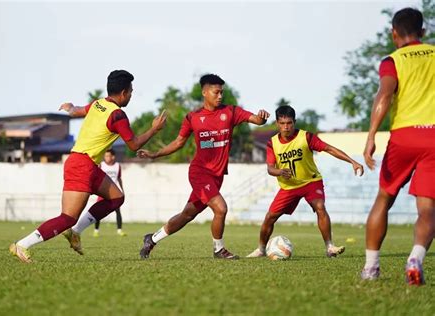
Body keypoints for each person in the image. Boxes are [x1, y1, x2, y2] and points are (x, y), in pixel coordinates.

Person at [9, 70, 167, 262]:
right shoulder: (117, 115)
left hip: (89, 165)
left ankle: (75, 232)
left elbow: (78, 111)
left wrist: (70, 107)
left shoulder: (98, 103)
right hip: (81, 165)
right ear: (124, 92)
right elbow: (133, 144)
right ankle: (22, 245)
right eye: (131, 91)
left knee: (116, 198)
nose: (132, 95)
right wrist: (154, 129)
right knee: (67, 217)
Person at [137, 74, 270, 259]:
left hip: (217, 176)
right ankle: (218, 249)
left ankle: (151, 239)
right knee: (221, 209)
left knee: (187, 215)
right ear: (205, 92)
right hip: (200, 172)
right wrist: (154, 154)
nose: (220, 96)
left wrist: (262, 118)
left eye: (222, 92)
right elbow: (178, 142)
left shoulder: (231, 112)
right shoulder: (193, 117)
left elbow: (256, 119)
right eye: (216, 92)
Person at [360, 8, 434, 285]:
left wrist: (371, 136)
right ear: (423, 32)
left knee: (383, 199)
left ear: (394, 34)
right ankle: (415, 256)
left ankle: (371, 268)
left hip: (405, 136)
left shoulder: (392, 60)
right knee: (428, 209)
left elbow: (384, 94)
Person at [247, 105, 364, 258]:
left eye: (289, 123)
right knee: (269, 218)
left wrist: (352, 161)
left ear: (294, 122)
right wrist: (280, 171)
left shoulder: (306, 137)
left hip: (311, 182)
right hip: (288, 187)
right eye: (282, 123)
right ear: (277, 123)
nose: (286, 127)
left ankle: (330, 247)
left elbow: (328, 148)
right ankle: (261, 249)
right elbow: (270, 168)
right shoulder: (272, 143)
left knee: (320, 207)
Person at [92, 148, 127, 237]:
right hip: (103, 191)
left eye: (108, 156)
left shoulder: (117, 166)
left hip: (114, 192)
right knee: (98, 211)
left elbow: (119, 178)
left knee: (118, 211)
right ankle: (96, 230)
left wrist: (122, 190)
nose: (106, 157)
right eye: (105, 156)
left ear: (113, 157)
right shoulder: (102, 165)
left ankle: (119, 230)